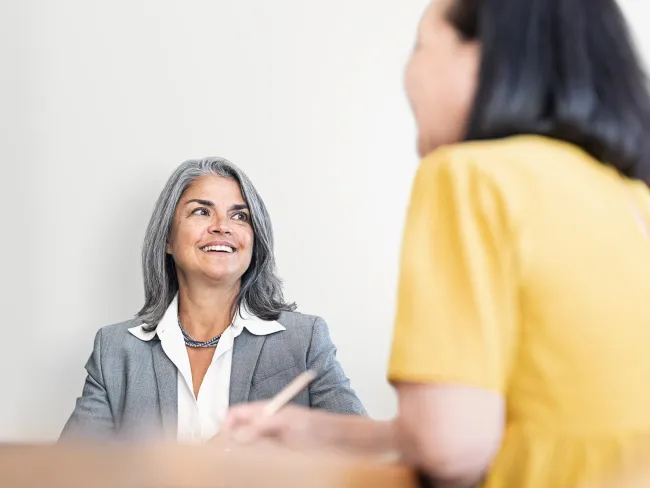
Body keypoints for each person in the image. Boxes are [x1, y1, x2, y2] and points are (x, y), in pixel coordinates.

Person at [221, 0, 650, 486]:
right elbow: (481, 425)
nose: (410, 72)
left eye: (421, 45)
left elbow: (452, 449)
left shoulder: (468, 176)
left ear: (483, 55)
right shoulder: (632, 197)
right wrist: (314, 431)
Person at [60, 157, 364, 443]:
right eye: (201, 211)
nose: (222, 226)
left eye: (239, 216)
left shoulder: (304, 341)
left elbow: (367, 458)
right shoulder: (114, 350)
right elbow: (71, 473)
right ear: (167, 239)